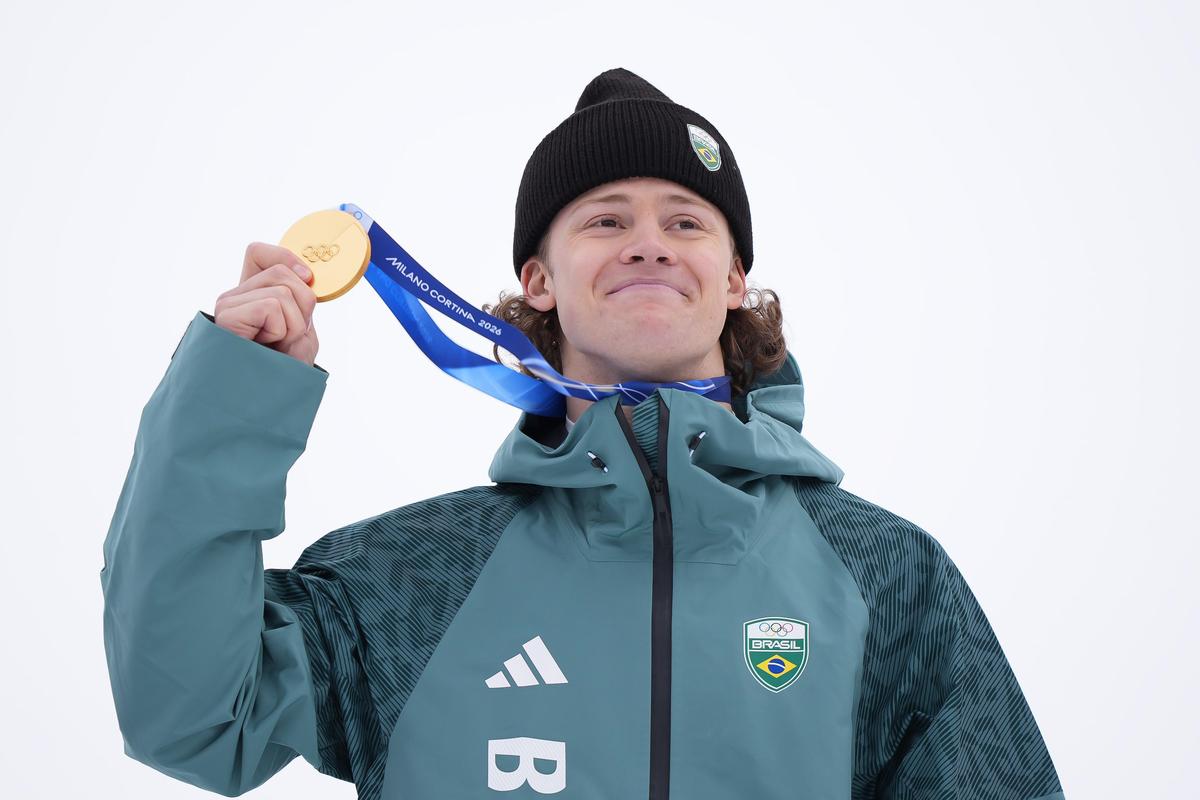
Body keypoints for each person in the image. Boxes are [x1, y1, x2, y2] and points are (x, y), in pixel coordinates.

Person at [100, 67, 1065, 799]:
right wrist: (232, 390)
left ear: (734, 283)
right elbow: (191, 715)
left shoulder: (885, 573)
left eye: (688, 223)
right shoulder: (412, 579)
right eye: (605, 219)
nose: (648, 240)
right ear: (540, 281)